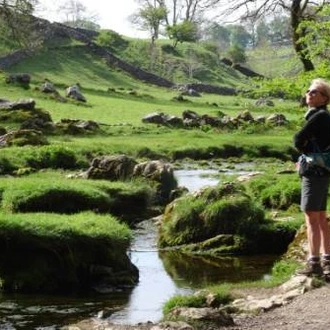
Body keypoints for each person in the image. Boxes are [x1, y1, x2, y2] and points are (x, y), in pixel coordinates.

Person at [294, 78, 330, 277]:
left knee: (312, 218)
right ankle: (327, 260)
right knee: (322, 217)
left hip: (313, 172)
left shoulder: (318, 116)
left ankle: (313, 263)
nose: (309, 94)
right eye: (308, 90)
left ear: (325, 98)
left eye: (315, 91)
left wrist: (304, 151)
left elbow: (297, 139)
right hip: (324, 171)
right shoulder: (325, 116)